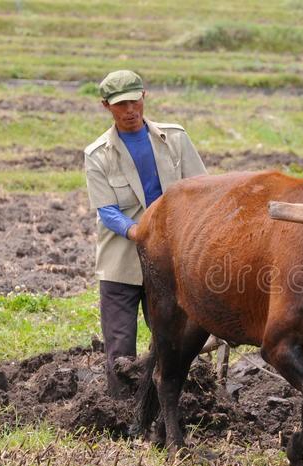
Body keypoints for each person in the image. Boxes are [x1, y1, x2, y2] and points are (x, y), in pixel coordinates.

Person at [84, 70, 207, 397]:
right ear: (106, 106)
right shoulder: (98, 154)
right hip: (122, 262)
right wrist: (142, 232)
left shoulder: (175, 138)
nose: (129, 110)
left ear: (144, 97)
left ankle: (172, 402)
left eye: (134, 100)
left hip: (170, 263)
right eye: (120, 104)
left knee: (172, 340)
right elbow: (108, 211)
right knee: (120, 346)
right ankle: (120, 409)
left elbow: (201, 190)